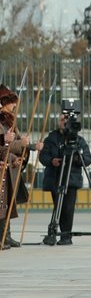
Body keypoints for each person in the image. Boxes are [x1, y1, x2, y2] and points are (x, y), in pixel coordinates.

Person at [39, 101, 91, 246]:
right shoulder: (51, 138)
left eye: (67, 120)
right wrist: (52, 161)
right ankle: (55, 232)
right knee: (59, 206)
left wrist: (77, 158)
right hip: (55, 178)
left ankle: (66, 236)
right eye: (62, 120)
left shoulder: (79, 141)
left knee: (68, 208)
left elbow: (88, 159)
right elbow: (42, 156)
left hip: (71, 179)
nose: (64, 122)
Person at [1, 84, 37, 250]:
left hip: (10, 168)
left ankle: (7, 236)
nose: (14, 106)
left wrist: (30, 147)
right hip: (3, 168)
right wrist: (15, 144)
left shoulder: (10, 121)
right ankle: (3, 237)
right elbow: (5, 145)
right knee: (2, 205)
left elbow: (14, 144)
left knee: (8, 205)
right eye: (11, 103)